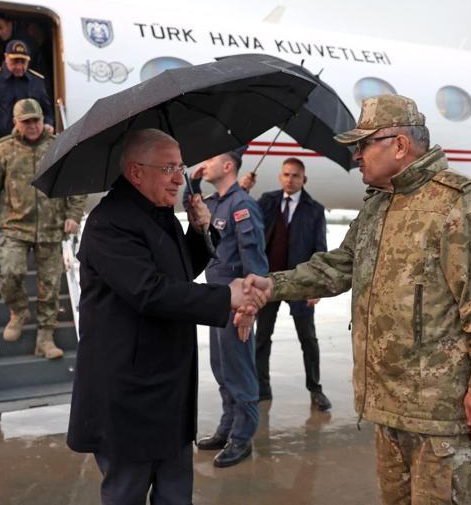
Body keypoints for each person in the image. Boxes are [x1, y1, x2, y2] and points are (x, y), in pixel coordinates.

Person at [242, 94, 471, 504]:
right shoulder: (380, 205)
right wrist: (271, 286)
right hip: (386, 406)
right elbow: (340, 266)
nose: (357, 155)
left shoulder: (459, 203)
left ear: (399, 145)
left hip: (439, 415)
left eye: (364, 144)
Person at [66, 129, 267, 505]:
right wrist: (225, 296)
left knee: (176, 493)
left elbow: (178, 274)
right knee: (126, 492)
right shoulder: (109, 223)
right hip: (129, 394)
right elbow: (149, 291)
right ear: (136, 172)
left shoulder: (160, 215)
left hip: (168, 391)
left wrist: (199, 230)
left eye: (180, 166)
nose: (180, 177)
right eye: (168, 168)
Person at [0, 99, 86, 359]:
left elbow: (75, 185)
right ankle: (19, 310)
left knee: (50, 286)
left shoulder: (56, 147)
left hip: (51, 227)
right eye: (26, 122)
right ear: (16, 123)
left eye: (36, 120)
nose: (33, 126)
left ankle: (45, 338)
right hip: (15, 226)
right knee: (11, 273)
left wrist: (73, 216)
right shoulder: (3, 151)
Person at [185, 148, 269, 468]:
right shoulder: (214, 202)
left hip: (236, 305)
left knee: (239, 372)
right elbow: (195, 216)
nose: (203, 163)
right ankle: (227, 427)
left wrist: (248, 308)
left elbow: (255, 264)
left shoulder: (242, 205)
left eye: (210, 159)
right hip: (216, 302)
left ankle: (242, 438)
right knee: (222, 369)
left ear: (228, 165)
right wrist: (191, 186)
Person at [240, 158, 331, 411]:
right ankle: (262, 387)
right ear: (280, 177)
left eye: (296, 176)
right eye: (286, 174)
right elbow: (245, 216)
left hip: (301, 283)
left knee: (308, 339)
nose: (290, 179)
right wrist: (243, 190)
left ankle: (315, 390)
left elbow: (320, 251)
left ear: (304, 180)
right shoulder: (267, 201)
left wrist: (317, 287)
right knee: (262, 338)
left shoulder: (314, 209)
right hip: (268, 281)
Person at [0, 39, 54, 146]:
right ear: (5, 57)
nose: (19, 66)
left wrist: (48, 124)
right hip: (0, 143)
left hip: (32, 145)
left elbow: (47, 110)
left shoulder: (36, 81)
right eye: (15, 61)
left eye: (23, 62)